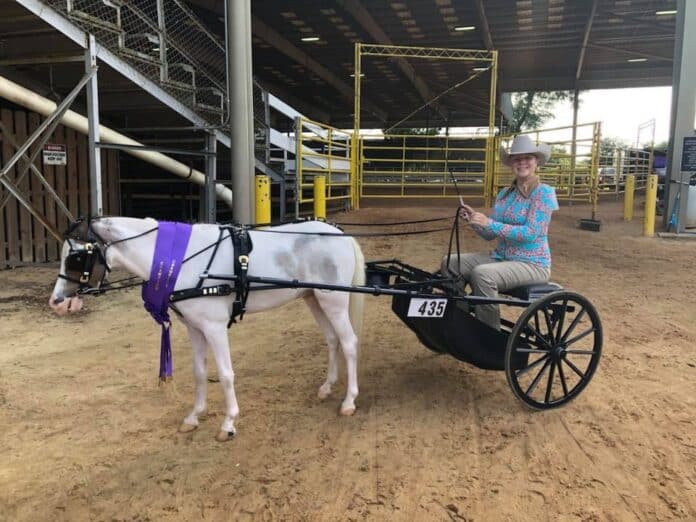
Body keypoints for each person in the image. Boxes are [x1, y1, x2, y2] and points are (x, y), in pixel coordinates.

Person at [441, 134, 559, 330]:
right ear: (511, 163)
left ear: (536, 161)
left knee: (482, 274)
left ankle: (488, 333)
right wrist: (475, 221)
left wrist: (490, 223)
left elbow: (530, 233)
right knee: (450, 263)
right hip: (501, 258)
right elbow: (490, 234)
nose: (522, 163)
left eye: (527, 158)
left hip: (532, 263)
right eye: (517, 159)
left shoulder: (544, 193)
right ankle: (460, 320)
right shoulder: (505, 194)